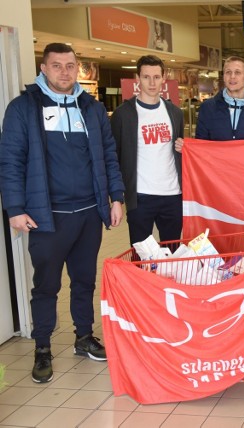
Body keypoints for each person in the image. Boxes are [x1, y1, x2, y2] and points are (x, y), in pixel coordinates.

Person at [0, 43, 125, 383]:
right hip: (46, 215)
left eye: (70, 65)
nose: (65, 72)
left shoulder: (92, 108)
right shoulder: (23, 108)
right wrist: (14, 208)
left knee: (84, 281)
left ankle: (83, 337)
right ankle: (42, 347)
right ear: (44, 68)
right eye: (57, 66)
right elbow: (10, 161)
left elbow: (109, 155)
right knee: (46, 285)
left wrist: (116, 197)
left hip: (88, 212)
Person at [110, 55, 185, 246]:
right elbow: (113, 157)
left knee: (173, 254)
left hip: (173, 195)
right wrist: (116, 197)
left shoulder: (175, 113)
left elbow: (180, 150)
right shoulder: (123, 114)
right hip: (140, 196)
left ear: (163, 78)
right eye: (146, 77)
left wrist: (185, 149)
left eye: (156, 77)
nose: (152, 83)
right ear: (138, 78)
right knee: (141, 256)